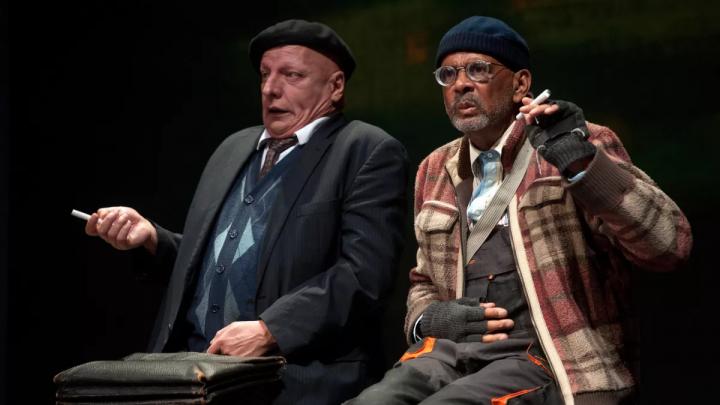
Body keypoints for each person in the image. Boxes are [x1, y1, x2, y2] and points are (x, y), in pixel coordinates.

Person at [348, 15, 692, 405]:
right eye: (448, 74)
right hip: (452, 354)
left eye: (478, 69)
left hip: (549, 355)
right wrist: (429, 319)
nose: (461, 84)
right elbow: (423, 280)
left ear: (520, 84)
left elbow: (669, 245)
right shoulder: (434, 168)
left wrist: (581, 162)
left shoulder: (577, 142)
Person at [84, 19, 408, 404]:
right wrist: (154, 240)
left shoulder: (364, 149)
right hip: (188, 374)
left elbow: (364, 275)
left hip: (291, 379)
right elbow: (222, 262)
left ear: (335, 86)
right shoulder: (233, 148)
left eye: (292, 75)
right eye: (265, 74)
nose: (271, 88)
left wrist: (271, 330)